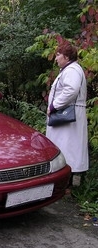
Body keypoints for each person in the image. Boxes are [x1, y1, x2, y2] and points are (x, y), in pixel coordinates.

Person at [46, 41, 89, 186]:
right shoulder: (70, 70)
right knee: (67, 147)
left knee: (68, 148)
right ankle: (67, 180)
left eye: (58, 55)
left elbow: (71, 90)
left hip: (68, 115)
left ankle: (68, 182)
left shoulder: (72, 70)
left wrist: (54, 106)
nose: (56, 58)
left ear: (67, 56)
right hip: (68, 114)